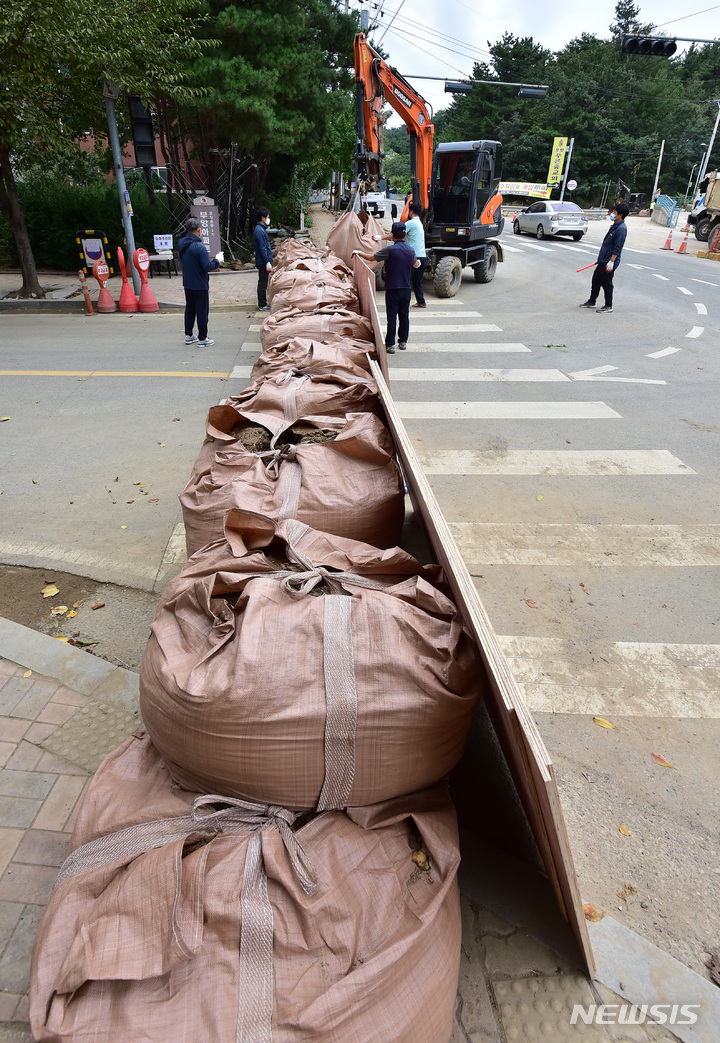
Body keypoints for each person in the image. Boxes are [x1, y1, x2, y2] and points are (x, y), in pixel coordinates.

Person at [353, 221, 421, 353]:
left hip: (392, 288)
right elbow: (416, 264)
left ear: (392, 236)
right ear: (405, 234)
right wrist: (417, 263)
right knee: (404, 315)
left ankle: (390, 345)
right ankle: (403, 342)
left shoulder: (390, 250)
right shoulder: (411, 250)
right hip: (406, 289)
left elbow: (372, 258)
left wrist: (359, 253)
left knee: (391, 316)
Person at [579, 201, 629, 313]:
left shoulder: (621, 229)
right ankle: (592, 301)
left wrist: (611, 262)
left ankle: (608, 305)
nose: (612, 213)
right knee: (596, 280)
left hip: (609, 262)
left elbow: (618, 247)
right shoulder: (615, 226)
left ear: (620, 215)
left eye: (614, 212)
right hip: (603, 260)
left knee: (607, 283)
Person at [178, 217, 221, 346]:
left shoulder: (181, 243)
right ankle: (203, 339)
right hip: (200, 284)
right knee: (202, 312)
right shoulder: (199, 247)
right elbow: (207, 267)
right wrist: (217, 261)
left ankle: (189, 335)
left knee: (190, 309)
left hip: (188, 283)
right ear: (199, 230)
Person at [405, 201, 427, 308]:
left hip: (413, 257)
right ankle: (421, 302)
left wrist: (381, 238)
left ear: (411, 212)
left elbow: (398, 234)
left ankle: (404, 302)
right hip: (422, 257)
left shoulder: (410, 223)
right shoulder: (420, 223)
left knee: (406, 280)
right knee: (417, 281)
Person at [254, 207, 273, 311]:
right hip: (262, 261)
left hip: (263, 260)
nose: (268, 219)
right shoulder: (260, 231)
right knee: (262, 283)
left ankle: (263, 303)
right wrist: (267, 261)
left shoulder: (260, 229)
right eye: (268, 217)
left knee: (263, 282)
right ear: (263, 218)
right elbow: (262, 248)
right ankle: (262, 304)